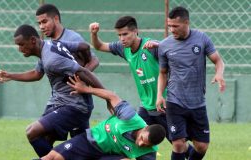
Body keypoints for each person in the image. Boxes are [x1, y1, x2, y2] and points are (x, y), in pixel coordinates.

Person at [89, 16, 193, 159]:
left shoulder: (150, 48)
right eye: (119, 35)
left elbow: (175, 55)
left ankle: (193, 154)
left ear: (136, 31)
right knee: (134, 139)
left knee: (179, 144)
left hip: (165, 104)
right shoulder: (123, 49)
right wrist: (94, 34)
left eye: (125, 34)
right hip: (146, 108)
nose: (122, 39)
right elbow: (99, 46)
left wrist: (159, 45)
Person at [0, 24, 104, 158]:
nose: (20, 49)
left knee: (33, 131)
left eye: (22, 44)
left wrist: (107, 96)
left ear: (33, 40)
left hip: (75, 105)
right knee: (65, 144)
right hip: (62, 102)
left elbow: (82, 71)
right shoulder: (50, 45)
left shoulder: (51, 59)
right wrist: (10, 76)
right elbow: (84, 46)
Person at [40, 75, 166, 160]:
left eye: (145, 145)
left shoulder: (148, 152)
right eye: (142, 139)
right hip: (91, 140)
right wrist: (85, 89)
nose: (140, 144)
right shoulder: (130, 118)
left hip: (108, 155)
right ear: (145, 128)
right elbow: (112, 96)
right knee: (52, 157)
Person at [156, 6, 226, 160]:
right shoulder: (164, 46)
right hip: (175, 101)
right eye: (169, 26)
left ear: (186, 22)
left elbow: (218, 61)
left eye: (175, 26)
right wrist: (160, 95)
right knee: (179, 144)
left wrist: (219, 74)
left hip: (197, 102)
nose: (172, 29)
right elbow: (162, 73)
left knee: (201, 146)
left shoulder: (202, 39)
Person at [35, 3, 99, 71]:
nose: (41, 27)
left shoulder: (73, 38)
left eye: (44, 22)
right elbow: (37, 73)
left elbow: (94, 61)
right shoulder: (47, 45)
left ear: (56, 19)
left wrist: (81, 79)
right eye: (39, 23)